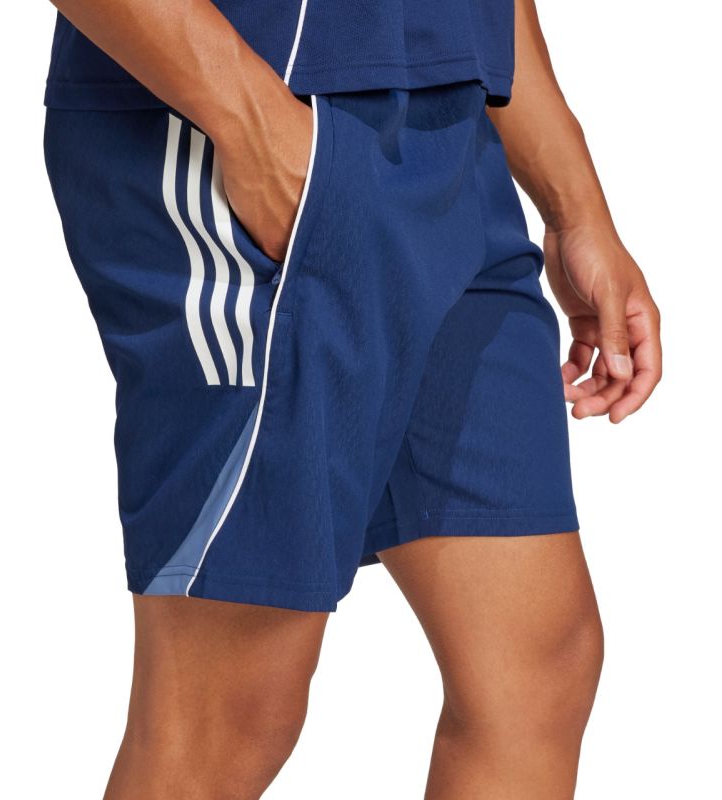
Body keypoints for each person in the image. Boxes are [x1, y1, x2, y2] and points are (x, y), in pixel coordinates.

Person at [42, 0, 661, 797]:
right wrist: (250, 121)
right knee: (227, 711)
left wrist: (578, 209)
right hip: (253, 116)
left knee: (535, 665)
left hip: (454, 127)